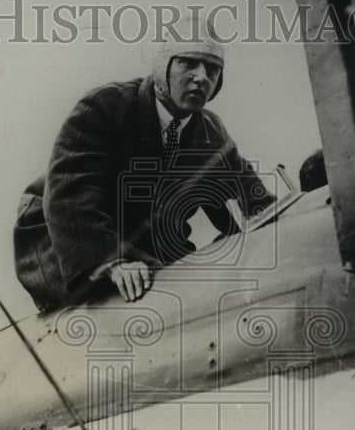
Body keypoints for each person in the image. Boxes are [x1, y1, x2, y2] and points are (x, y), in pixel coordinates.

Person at [14, 16, 275, 312]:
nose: (202, 77)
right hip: (64, 235)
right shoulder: (103, 106)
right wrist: (110, 262)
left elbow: (252, 195)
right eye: (188, 63)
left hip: (143, 240)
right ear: (162, 67)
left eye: (213, 69)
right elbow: (70, 193)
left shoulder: (211, 133)